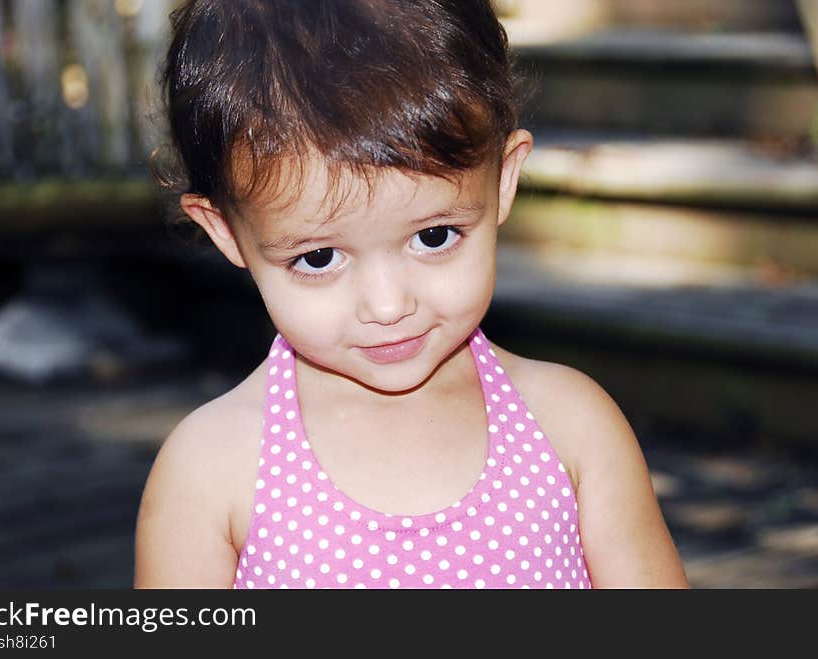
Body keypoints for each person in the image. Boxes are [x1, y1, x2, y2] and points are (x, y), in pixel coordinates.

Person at [134, 0, 689, 589]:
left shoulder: (571, 428)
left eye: (433, 237)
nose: (388, 305)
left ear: (503, 181)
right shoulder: (211, 471)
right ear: (225, 231)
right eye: (318, 258)